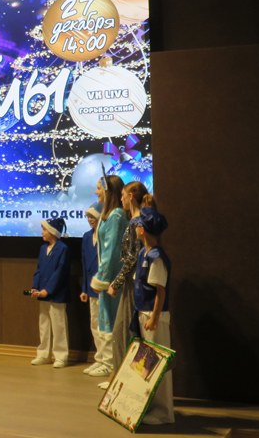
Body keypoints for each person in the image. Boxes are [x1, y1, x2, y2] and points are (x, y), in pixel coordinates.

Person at [132, 208, 175, 425]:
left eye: (138, 225)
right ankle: (149, 404)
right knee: (146, 365)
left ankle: (164, 411)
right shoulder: (143, 253)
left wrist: (155, 318)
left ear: (144, 230)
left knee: (158, 363)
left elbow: (160, 291)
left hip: (153, 316)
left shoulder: (157, 257)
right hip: (143, 314)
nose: (136, 228)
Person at [107, 182, 154, 375]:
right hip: (135, 282)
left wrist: (116, 282)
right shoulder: (137, 221)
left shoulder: (137, 223)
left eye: (123, 195)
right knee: (128, 331)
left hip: (134, 284)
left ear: (131, 197)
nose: (121, 199)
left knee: (123, 332)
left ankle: (122, 377)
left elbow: (132, 258)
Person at [90, 175, 129, 387]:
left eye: (99, 188)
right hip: (109, 279)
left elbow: (113, 251)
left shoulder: (116, 216)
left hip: (113, 280)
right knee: (110, 324)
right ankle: (114, 371)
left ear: (108, 190)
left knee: (117, 325)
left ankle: (118, 375)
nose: (96, 192)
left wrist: (103, 279)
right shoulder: (110, 214)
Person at [29, 217, 71, 368]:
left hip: (56, 293)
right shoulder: (43, 249)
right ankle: (43, 354)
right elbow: (39, 269)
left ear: (53, 232)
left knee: (59, 325)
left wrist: (48, 289)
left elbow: (61, 271)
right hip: (42, 292)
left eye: (44, 229)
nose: (42, 232)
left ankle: (61, 356)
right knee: (44, 324)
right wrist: (36, 287)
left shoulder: (63, 249)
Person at [80, 202, 110, 376]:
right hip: (91, 287)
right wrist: (84, 288)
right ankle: (99, 358)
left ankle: (107, 360)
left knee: (105, 325)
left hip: (103, 286)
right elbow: (85, 264)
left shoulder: (105, 235)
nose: (90, 219)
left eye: (92, 216)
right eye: (88, 217)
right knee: (94, 324)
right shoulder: (86, 237)